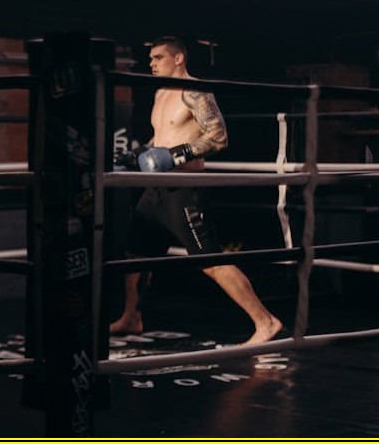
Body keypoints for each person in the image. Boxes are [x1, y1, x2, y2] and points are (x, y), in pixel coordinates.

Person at [111, 36, 282, 345]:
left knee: (209, 260)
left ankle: (265, 321)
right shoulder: (161, 92)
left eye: (158, 57)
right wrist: (137, 154)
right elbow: (160, 139)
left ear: (178, 59)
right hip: (157, 188)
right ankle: (131, 317)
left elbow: (218, 137)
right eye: (150, 58)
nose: (151, 63)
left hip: (185, 189)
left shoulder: (194, 91)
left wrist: (177, 155)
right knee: (136, 253)